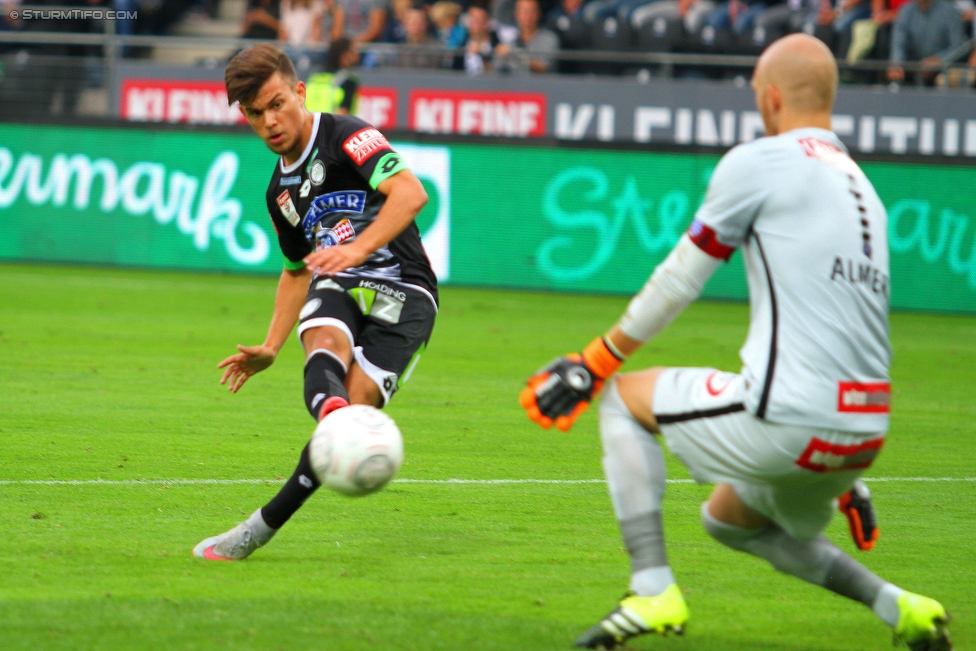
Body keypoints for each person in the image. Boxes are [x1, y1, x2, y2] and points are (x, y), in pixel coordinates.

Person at [520, 34, 952, 651]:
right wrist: (849, 476)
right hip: (863, 431)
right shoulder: (864, 190)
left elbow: (680, 276)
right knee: (729, 521)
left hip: (792, 415)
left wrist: (595, 360)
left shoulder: (761, 161)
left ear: (771, 97)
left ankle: (651, 592)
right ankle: (901, 607)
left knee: (622, 399)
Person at [194, 44, 436, 561]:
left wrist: (358, 247)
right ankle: (332, 415)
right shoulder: (279, 191)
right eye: (256, 113)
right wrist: (271, 346)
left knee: (355, 399)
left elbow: (411, 193)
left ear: (299, 92)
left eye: (277, 103)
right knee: (340, 406)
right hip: (341, 279)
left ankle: (260, 526)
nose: (270, 121)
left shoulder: (347, 134)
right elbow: (294, 270)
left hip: (405, 290)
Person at [887, 0, 966, 83]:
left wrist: (939, 59)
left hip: (944, 70)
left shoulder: (950, 11)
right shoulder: (906, 11)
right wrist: (897, 64)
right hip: (914, 68)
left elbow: (958, 46)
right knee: (895, 80)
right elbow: (899, 43)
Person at [495, 0, 560, 73]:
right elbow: (497, 70)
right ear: (517, 14)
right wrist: (499, 56)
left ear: (538, 14)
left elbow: (543, 67)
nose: (527, 16)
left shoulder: (549, 38)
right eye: (524, 11)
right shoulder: (509, 41)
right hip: (513, 83)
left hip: (540, 83)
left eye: (531, 11)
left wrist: (516, 55)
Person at [305, 36, 360, 114]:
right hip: (333, 124)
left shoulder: (314, 77)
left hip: (311, 123)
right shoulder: (348, 79)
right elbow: (343, 113)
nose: (357, 54)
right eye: (354, 51)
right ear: (345, 55)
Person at [460, 1, 500, 73]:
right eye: (474, 19)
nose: (477, 24)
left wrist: (482, 55)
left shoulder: (496, 45)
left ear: (488, 22)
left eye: (480, 20)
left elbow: (497, 73)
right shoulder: (462, 42)